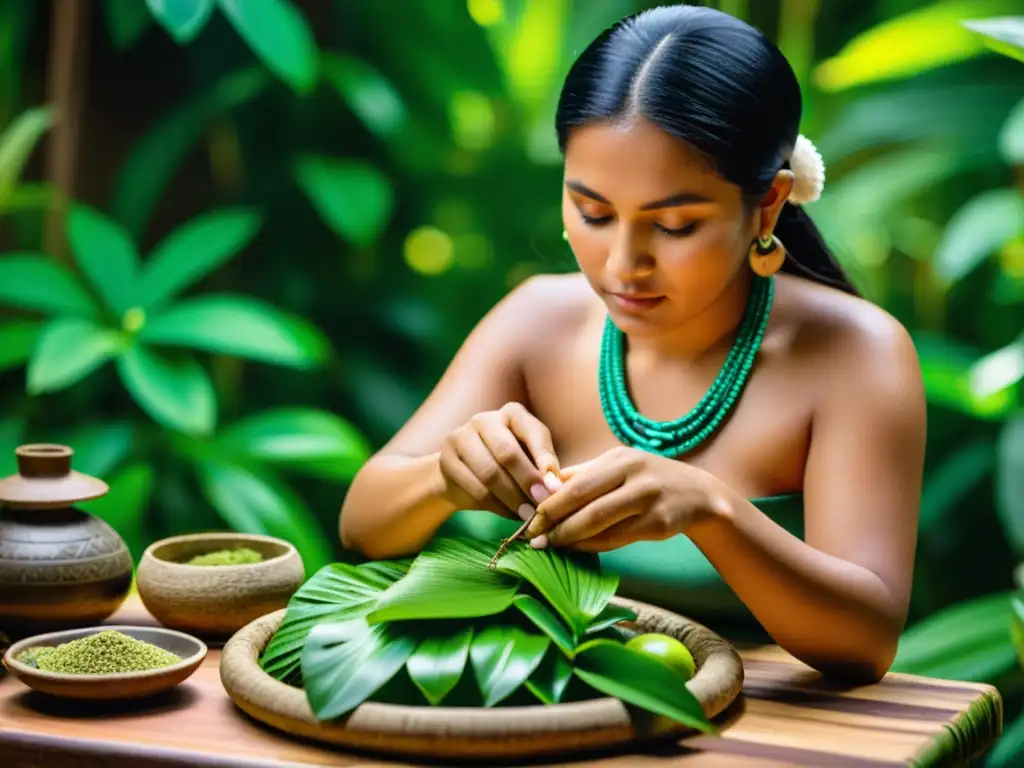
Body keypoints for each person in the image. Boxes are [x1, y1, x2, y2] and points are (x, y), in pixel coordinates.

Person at [339, 4, 926, 682]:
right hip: (535, 719)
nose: (622, 264)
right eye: (592, 212)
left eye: (674, 225)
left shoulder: (853, 354)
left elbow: (866, 639)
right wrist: (442, 475)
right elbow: (365, 525)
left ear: (767, 205)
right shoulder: (538, 321)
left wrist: (712, 512)